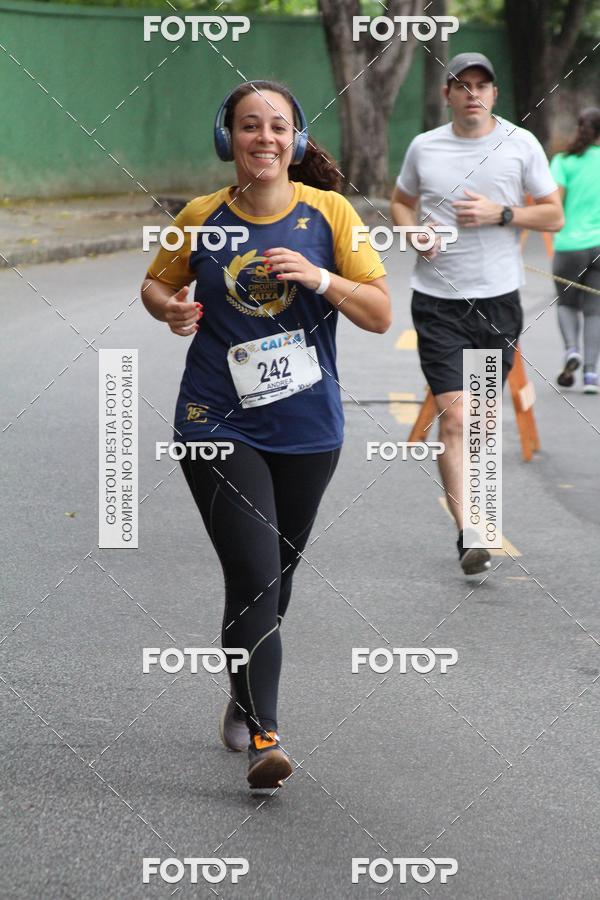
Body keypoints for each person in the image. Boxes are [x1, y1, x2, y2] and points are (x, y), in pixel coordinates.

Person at [141, 80, 390, 791]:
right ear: (230, 139)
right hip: (215, 420)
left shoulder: (330, 215)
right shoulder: (200, 216)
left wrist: (317, 276)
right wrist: (171, 310)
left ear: (297, 139)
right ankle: (266, 737)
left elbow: (377, 311)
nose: (264, 139)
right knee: (253, 577)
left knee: (273, 582)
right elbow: (155, 283)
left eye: (277, 127)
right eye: (249, 126)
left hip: (309, 427)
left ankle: (244, 688)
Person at [390, 52, 564, 576]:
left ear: (494, 94)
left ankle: (478, 519)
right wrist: (410, 232)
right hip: (438, 302)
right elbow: (401, 201)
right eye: (461, 85)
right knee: (457, 417)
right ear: (447, 94)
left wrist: (502, 213)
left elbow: (554, 213)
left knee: (484, 421)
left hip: (496, 302)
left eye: (481, 86)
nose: (472, 94)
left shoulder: (520, 144)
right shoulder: (425, 146)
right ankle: (470, 531)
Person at [550, 107, 600, 394]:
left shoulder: (563, 161)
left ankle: (572, 351)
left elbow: (555, 205)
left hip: (569, 245)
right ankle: (592, 375)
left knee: (568, 304)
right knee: (595, 312)